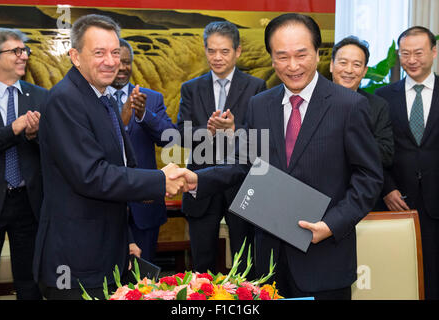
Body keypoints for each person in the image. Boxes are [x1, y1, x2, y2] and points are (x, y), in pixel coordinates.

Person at [173, 13, 383, 300]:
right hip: (268, 262)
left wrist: (332, 225)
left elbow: (369, 177)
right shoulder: (260, 105)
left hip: (324, 258)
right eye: (282, 56)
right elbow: (242, 164)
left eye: (301, 55)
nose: (293, 66)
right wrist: (198, 179)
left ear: (318, 54)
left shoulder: (349, 106)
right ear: (272, 58)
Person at [33, 14, 187, 300]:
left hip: (106, 252)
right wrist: (159, 180)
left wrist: (126, 240)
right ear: (75, 56)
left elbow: (118, 168)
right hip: (75, 263)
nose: (111, 61)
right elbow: (92, 175)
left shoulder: (101, 98)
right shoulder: (65, 100)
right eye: (99, 53)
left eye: (115, 52)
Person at [176, 21, 267, 275]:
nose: (217, 57)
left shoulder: (255, 87)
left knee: (245, 262)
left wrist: (235, 130)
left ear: (237, 52)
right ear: (205, 50)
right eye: (211, 51)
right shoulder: (191, 88)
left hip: (240, 183)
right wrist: (209, 132)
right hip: (201, 182)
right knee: (201, 263)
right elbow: (180, 133)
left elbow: (262, 138)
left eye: (224, 51)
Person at [375, 26, 439, 299]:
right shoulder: (382, 97)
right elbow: (373, 152)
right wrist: (386, 188)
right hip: (397, 199)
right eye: (405, 53)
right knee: (398, 276)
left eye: (418, 53)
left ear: (434, 52)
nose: (411, 60)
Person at [108, 38, 176, 263]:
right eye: (117, 61)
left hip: (144, 206)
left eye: (127, 62)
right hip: (105, 204)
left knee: (144, 282)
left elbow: (170, 139)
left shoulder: (151, 98)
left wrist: (144, 115)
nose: (122, 67)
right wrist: (123, 122)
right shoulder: (92, 98)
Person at [0, 28, 46, 300]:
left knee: (29, 282)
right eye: (15, 51)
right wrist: (14, 128)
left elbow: (52, 150)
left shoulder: (39, 97)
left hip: (29, 201)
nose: (23, 56)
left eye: (25, 51)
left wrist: (35, 136)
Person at [330, 36, 394, 210]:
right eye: (343, 63)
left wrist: (342, 147)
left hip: (362, 197)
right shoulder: (312, 101)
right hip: (320, 196)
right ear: (331, 65)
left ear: (364, 71)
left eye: (357, 65)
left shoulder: (377, 106)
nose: (349, 70)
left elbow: (387, 154)